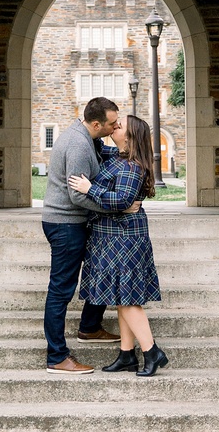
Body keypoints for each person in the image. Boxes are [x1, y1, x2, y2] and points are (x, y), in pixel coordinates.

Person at [42, 97, 138, 375]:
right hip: (65, 225)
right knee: (60, 290)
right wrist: (116, 207)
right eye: (112, 124)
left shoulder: (87, 138)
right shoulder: (78, 145)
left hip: (75, 223)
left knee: (101, 270)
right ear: (96, 124)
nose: (116, 126)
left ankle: (90, 327)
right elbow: (76, 194)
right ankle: (57, 356)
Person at [69, 114, 169, 377]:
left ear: (130, 136)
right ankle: (126, 355)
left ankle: (151, 351)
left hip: (124, 239)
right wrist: (85, 122)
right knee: (121, 297)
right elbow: (95, 143)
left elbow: (123, 199)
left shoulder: (131, 166)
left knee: (127, 299)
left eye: (120, 125)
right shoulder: (117, 157)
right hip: (111, 236)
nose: (115, 127)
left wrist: (90, 188)